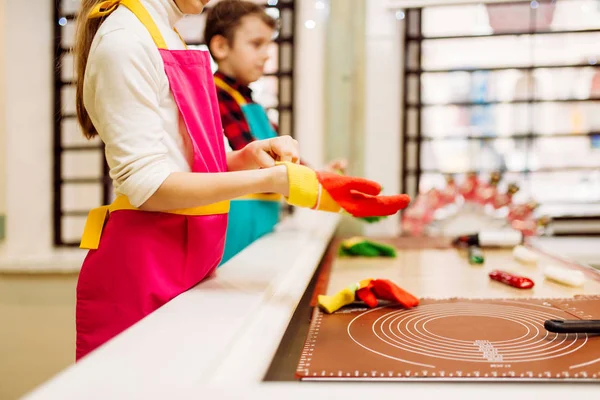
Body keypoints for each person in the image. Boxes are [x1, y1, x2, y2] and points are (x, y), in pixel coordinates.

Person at [73, 0, 301, 361]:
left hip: (190, 259)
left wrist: (247, 157)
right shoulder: (124, 41)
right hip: (145, 268)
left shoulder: (171, 36)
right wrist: (267, 181)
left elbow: (195, 159)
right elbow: (147, 186)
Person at [204, 0, 346, 264]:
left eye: (268, 44)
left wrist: (324, 175)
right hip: (231, 230)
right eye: (257, 44)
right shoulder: (214, 98)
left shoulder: (251, 103)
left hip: (259, 226)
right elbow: (262, 165)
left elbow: (285, 162)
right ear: (221, 46)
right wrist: (319, 183)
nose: (267, 54)